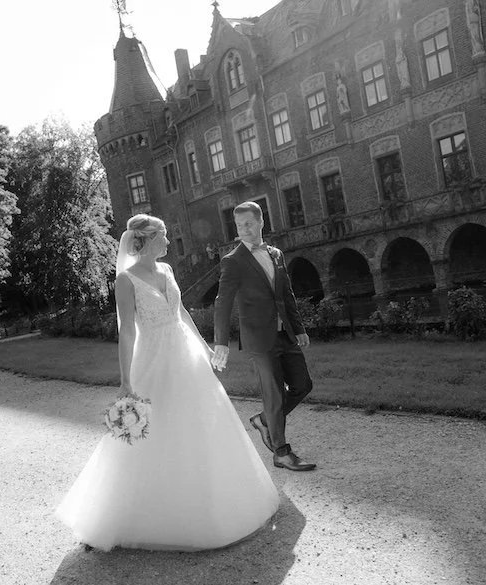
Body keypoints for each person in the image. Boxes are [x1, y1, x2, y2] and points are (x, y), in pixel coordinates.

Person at [55, 213, 279, 552]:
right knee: (137, 438)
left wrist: (205, 348)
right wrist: (125, 378)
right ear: (145, 240)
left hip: (186, 357)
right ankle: (110, 516)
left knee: (201, 425)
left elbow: (182, 313)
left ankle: (212, 501)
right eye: (163, 236)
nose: (168, 242)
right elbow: (127, 330)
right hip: (153, 360)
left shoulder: (168, 270)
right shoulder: (126, 280)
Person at [211, 201, 316, 472]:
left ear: (261, 223)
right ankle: (281, 452)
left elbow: (286, 294)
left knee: (303, 385)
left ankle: (264, 421)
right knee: (275, 395)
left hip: (286, 334)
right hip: (258, 338)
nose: (244, 230)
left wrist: (299, 327)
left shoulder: (276, 254)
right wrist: (221, 341)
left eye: (248, 223)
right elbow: (222, 302)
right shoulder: (233, 261)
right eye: (239, 225)